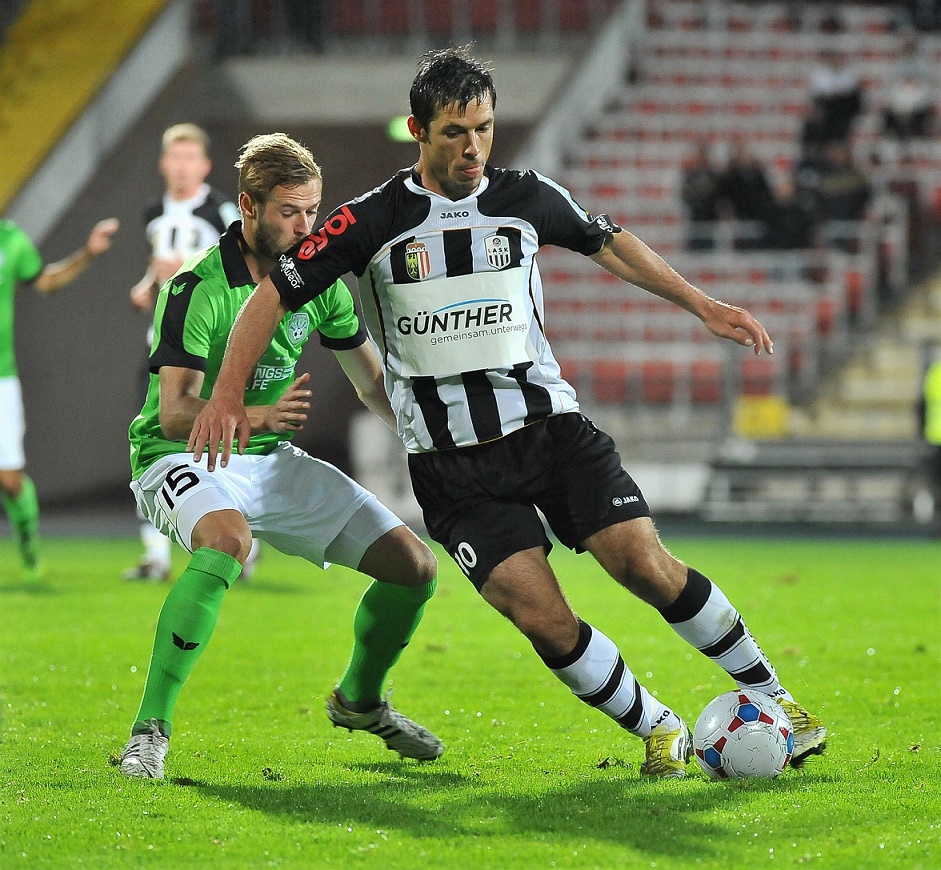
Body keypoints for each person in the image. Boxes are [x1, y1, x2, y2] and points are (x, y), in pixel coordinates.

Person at [190, 47, 828, 778]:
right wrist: (228, 394)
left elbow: (608, 242)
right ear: (416, 131)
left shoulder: (524, 195)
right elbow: (274, 293)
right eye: (455, 132)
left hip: (551, 431)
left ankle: (777, 698)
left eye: (484, 129)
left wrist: (701, 304)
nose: (473, 148)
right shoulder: (369, 220)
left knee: (646, 566)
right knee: (542, 618)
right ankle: (657, 727)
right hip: (452, 465)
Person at [118, 133, 441, 779]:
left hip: (268, 459)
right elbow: (175, 408)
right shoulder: (196, 289)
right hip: (179, 454)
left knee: (413, 567)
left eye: (312, 211)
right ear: (248, 206)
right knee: (226, 542)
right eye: (288, 212)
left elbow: (371, 383)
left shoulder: (320, 282)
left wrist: (429, 436)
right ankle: (148, 731)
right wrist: (252, 414)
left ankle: (359, 701)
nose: (304, 227)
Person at [124, 123, 261, 583]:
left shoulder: (222, 209)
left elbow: (243, 262)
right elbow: (157, 262)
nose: (181, 167)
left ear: (204, 165)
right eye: (174, 158)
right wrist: (147, 286)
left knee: (221, 442)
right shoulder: (153, 212)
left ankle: (243, 541)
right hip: (164, 344)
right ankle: (156, 554)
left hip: (214, 344)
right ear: (164, 163)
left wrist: (182, 266)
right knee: (156, 439)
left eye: (190, 158)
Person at [1, 216, 119, 580]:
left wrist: (87, 254)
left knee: (9, 479)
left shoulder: (11, 240)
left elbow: (46, 282)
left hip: (0, 378)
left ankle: (29, 549)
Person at [680, 139, 722, 250]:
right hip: (695, 218)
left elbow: (720, 195)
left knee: (709, 248)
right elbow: (685, 194)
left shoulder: (714, 175)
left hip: (710, 218)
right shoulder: (691, 174)